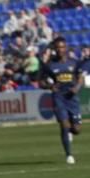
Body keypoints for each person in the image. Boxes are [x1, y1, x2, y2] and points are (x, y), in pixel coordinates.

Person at [42, 36, 83, 164]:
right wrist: (49, 86)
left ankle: (70, 131)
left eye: (63, 47)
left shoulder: (74, 62)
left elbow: (80, 77)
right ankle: (69, 155)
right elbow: (41, 81)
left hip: (72, 97)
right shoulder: (50, 64)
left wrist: (77, 87)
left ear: (66, 48)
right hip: (59, 97)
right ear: (55, 48)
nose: (60, 49)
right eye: (58, 47)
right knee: (64, 125)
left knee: (76, 130)